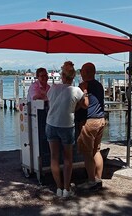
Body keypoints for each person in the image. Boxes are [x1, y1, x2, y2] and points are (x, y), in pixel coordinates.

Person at [45, 61, 88, 198]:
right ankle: (66, 189)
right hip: (67, 126)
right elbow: (85, 105)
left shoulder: (52, 88)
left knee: (54, 157)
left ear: (62, 75)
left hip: (51, 124)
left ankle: (58, 188)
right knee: (68, 158)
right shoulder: (77, 90)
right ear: (73, 77)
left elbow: (52, 103)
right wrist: (85, 92)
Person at [76, 62, 106, 191]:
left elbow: (84, 104)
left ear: (86, 72)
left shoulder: (84, 86)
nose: (80, 73)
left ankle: (91, 181)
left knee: (87, 153)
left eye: (81, 71)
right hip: (101, 120)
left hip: (89, 122)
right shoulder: (99, 85)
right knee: (96, 150)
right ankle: (98, 179)